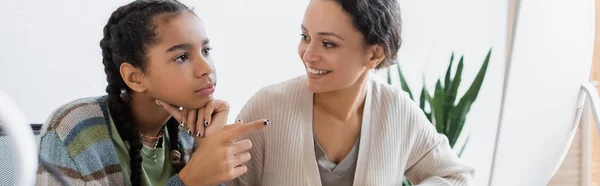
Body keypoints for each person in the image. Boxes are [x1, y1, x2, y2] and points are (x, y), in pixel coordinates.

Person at [228, 0, 475, 185]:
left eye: (328, 44)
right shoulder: (267, 109)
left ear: (374, 54)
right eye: (305, 36)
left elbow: (457, 177)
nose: (308, 54)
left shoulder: (397, 111)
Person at [36, 0, 268, 185]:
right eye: (182, 57)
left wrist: (207, 147)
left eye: (206, 50)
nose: (206, 67)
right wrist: (189, 181)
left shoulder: (189, 133)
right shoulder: (73, 131)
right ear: (134, 77)